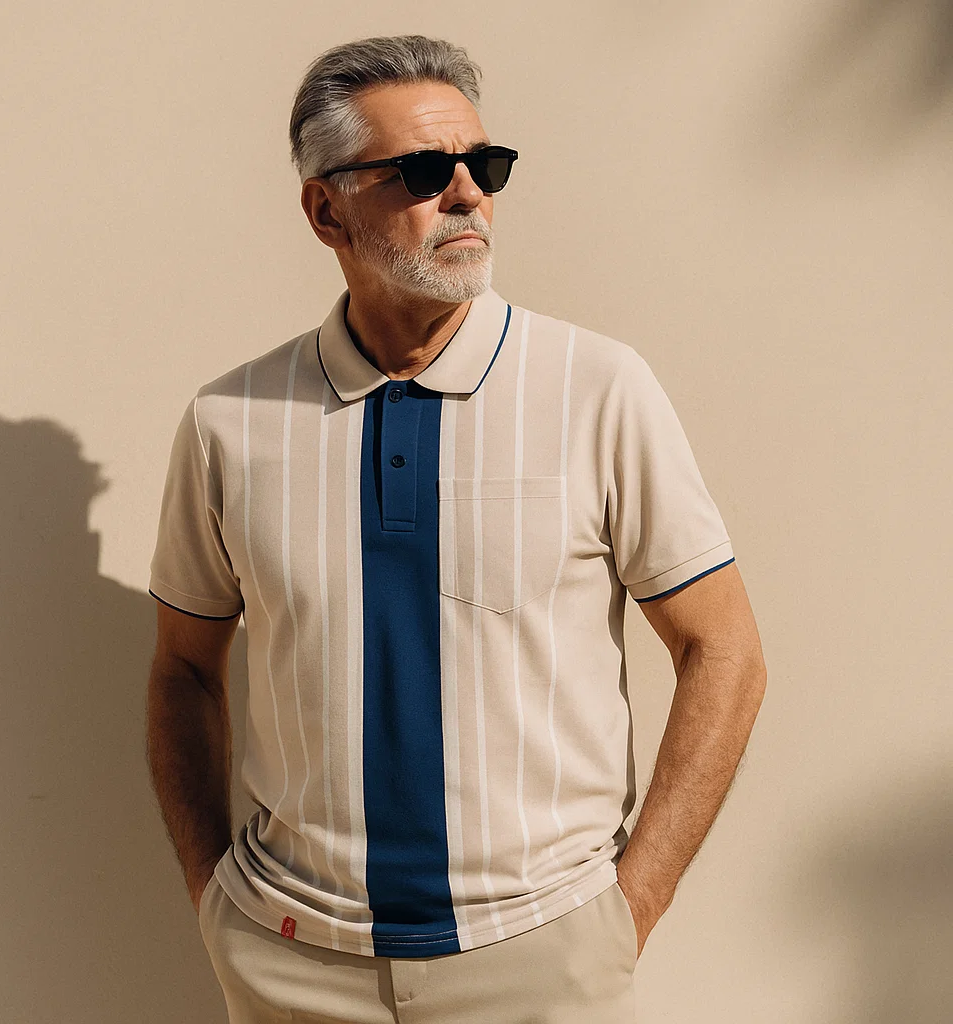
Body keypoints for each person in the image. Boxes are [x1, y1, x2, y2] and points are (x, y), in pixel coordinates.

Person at [145, 33, 767, 1024]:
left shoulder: (596, 389)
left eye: (485, 166)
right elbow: (183, 666)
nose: (470, 194)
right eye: (426, 173)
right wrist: (213, 896)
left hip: (542, 959)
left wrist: (625, 911)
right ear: (325, 208)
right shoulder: (231, 420)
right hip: (291, 963)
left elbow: (723, 649)